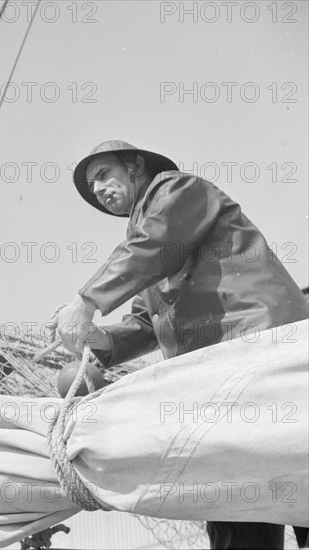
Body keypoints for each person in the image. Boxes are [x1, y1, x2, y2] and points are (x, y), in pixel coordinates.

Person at [54, 140, 309, 550]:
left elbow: (155, 239)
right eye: (92, 185)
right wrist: (97, 339)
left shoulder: (177, 189)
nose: (99, 190)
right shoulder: (148, 256)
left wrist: (86, 299)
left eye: (103, 174)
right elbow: (143, 322)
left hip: (259, 343)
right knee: (233, 498)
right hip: (213, 380)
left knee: (291, 457)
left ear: (136, 167)